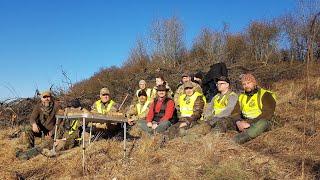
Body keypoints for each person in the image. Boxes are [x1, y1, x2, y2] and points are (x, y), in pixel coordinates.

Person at [230, 73, 276, 144]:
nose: (246, 86)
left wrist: (249, 123)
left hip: (260, 121)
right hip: (245, 121)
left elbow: (268, 113)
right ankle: (215, 135)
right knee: (227, 119)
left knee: (262, 123)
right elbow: (235, 111)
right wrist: (238, 122)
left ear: (254, 83)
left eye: (248, 83)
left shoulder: (266, 95)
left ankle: (236, 140)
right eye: (244, 84)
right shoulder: (241, 96)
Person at [17, 90, 62, 160]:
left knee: (46, 146)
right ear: (41, 98)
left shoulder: (57, 106)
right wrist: (34, 124)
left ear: (51, 97)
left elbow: (59, 121)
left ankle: (32, 153)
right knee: (28, 128)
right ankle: (29, 148)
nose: (47, 99)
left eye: (48, 97)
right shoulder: (38, 106)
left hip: (52, 132)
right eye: (44, 97)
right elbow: (32, 118)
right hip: (40, 131)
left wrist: (52, 132)